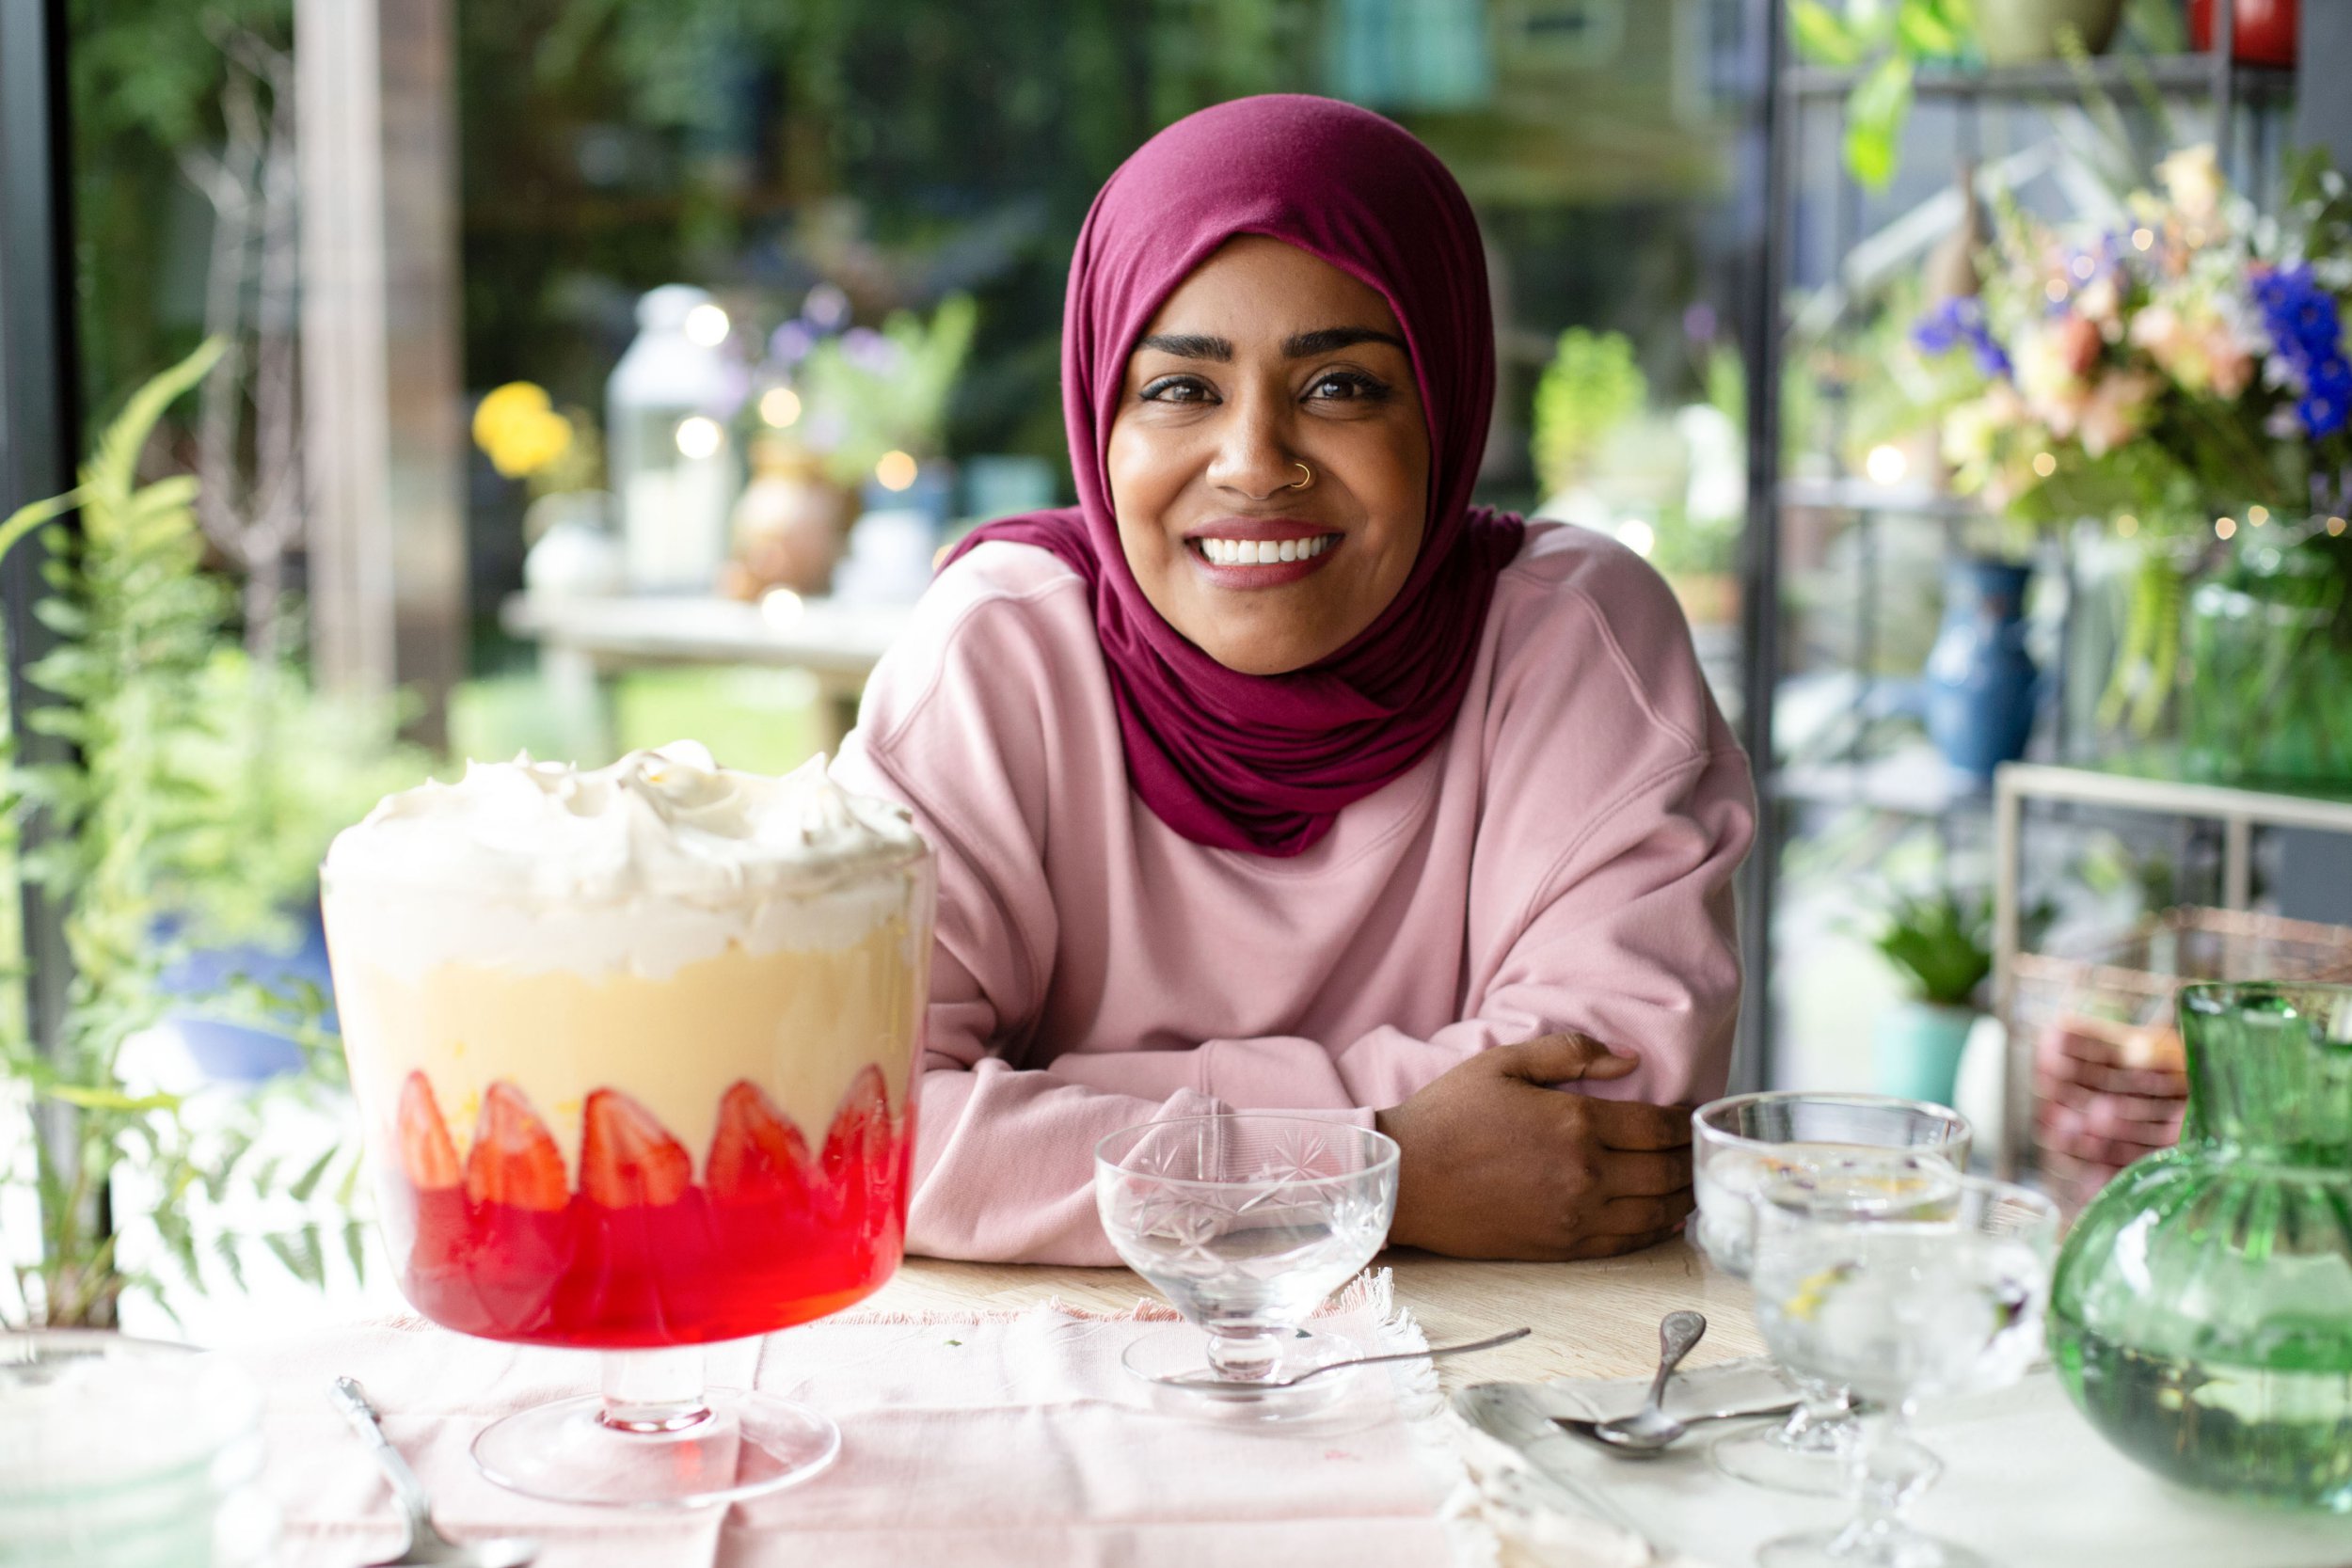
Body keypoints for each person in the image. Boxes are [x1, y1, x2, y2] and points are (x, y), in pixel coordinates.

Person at [831, 95, 1755, 1266]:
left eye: (1341, 388)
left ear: (1446, 401)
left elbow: (1602, 1133)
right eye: (1180, 389)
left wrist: (1043, 1114)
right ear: (1099, 414)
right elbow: (855, 1127)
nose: (1255, 462)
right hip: (1050, 1364)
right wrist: (1382, 1166)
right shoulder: (1002, 650)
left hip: (1494, 1371)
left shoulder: (1572, 639)